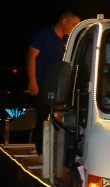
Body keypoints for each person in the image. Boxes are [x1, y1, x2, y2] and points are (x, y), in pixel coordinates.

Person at [26, 11, 80, 153]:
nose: (74, 27)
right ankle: (41, 151)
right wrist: (32, 81)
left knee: (59, 117)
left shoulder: (66, 41)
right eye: (73, 24)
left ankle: (56, 150)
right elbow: (31, 57)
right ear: (64, 21)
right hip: (41, 83)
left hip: (58, 85)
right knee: (43, 117)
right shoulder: (43, 35)